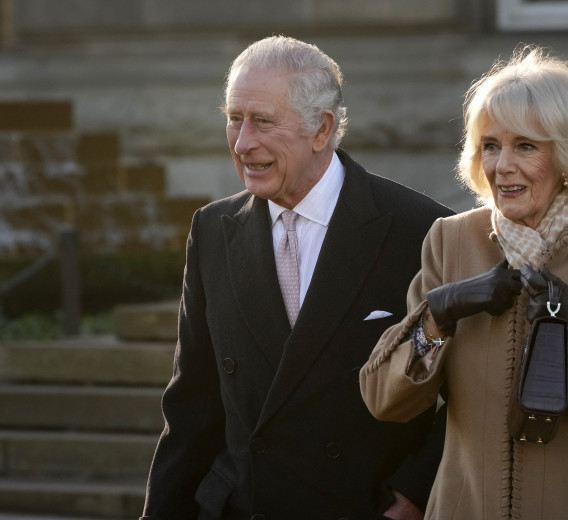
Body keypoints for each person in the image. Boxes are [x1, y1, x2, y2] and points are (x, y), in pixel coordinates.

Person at [360, 45, 568, 519]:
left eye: (526, 145)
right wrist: (439, 312)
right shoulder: (450, 240)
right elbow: (383, 399)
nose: (502, 166)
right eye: (490, 145)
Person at [140, 36, 453, 520]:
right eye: (233, 118)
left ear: (321, 129)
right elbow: (192, 405)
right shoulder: (211, 230)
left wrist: (411, 498)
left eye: (263, 121)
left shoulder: (422, 231)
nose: (242, 143)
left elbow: (469, 397)